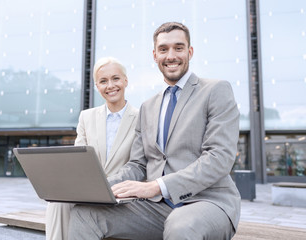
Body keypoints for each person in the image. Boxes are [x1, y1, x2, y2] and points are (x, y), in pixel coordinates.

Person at [68, 22, 241, 240]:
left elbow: (219, 158)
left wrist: (156, 186)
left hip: (207, 201)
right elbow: (138, 164)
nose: (171, 55)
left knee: (180, 226)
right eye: (163, 49)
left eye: (178, 48)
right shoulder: (148, 107)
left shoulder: (216, 90)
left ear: (190, 51)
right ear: (155, 55)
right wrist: (97, 187)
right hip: (156, 209)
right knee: (85, 214)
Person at [45, 57, 139, 240]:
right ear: (97, 86)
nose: (110, 85)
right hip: (88, 191)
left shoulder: (142, 117)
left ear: (126, 81)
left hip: (122, 194)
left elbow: (140, 164)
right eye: (103, 81)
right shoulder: (86, 117)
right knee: (57, 202)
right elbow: (78, 162)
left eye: (116, 78)